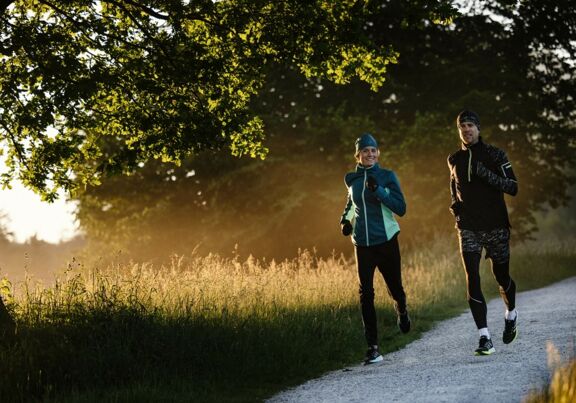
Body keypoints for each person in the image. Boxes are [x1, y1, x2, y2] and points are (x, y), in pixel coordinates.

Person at [447, 110, 519, 356]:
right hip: (468, 227)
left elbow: (513, 187)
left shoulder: (495, 155)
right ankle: (484, 337)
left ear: (478, 128)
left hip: (496, 225)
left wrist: (485, 173)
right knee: (472, 277)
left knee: (502, 276)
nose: (466, 129)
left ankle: (511, 314)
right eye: (462, 126)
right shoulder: (454, 158)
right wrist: (456, 209)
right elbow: (453, 189)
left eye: (470, 125)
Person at [340, 133, 410, 365]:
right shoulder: (351, 179)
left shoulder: (387, 176)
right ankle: (373, 347)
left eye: (373, 150)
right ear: (358, 155)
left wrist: (379, 190)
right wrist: (345, 221)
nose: (370, 154)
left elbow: (401, 208)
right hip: (362, 244)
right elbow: (351, 204)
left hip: (386, 240)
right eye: (365, 151)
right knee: (366, 294)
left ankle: (401, 309)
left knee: (395, 288)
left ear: (378, 153)